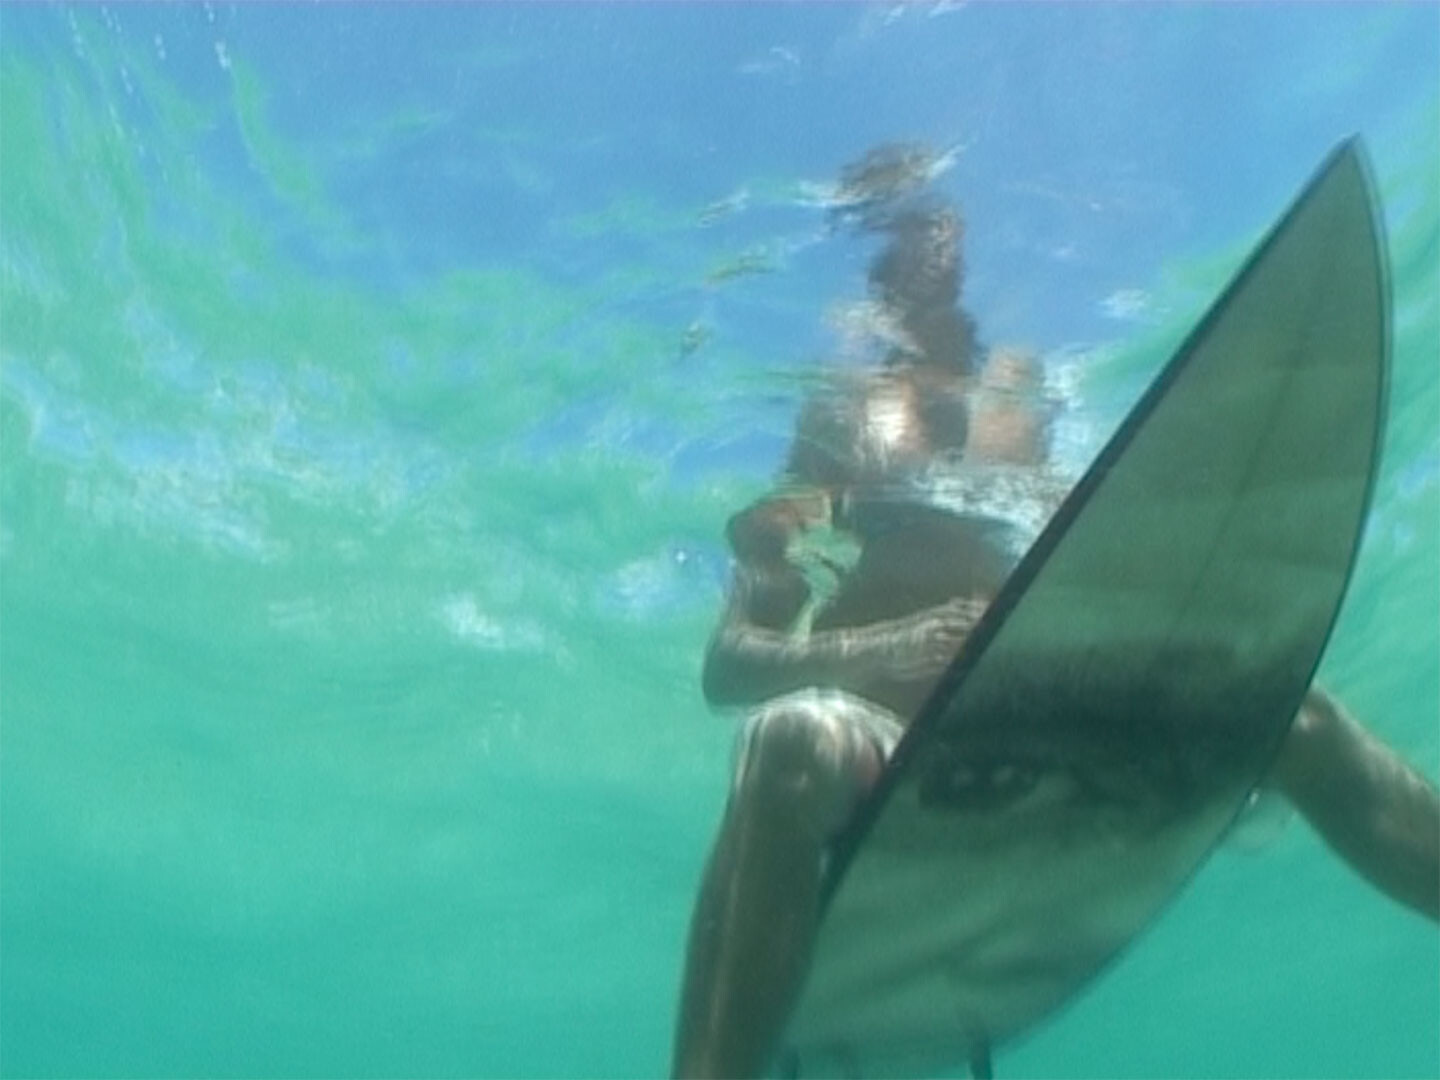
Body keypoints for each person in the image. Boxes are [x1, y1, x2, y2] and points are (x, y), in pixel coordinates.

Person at [670, 145, 1439, 1080]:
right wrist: (886, 643)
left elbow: (1111, 571)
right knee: (783, 739)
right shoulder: (833, 423)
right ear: (876, 287)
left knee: (1291, 706)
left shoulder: (1034, 403)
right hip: (889, 747)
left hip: (1043, 721)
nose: (941, 284)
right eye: (910, 255)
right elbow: (731, 667)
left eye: (950, 256)